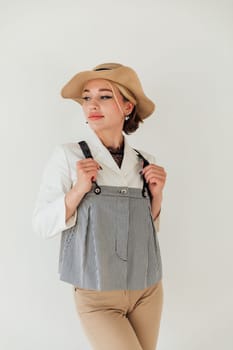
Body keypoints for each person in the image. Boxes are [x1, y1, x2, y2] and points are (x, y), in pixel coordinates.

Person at [32, 62, 167, 350]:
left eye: (105, 96)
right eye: (86, 97)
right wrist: (79, 189)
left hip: (147, 289)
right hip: (97, 295)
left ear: (127, 106)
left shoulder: (145, 161)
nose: (92, 104)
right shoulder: (68, 156)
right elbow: (41, 223)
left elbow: (147, 231)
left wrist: (157, 198)